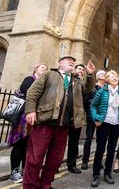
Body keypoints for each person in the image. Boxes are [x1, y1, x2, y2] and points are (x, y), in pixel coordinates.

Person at [23, 56, 95, 189]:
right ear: (60, 64)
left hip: (63, 127)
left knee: (55, 160)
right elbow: (32, 93)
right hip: (45, 124)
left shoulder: (76, 81)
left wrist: (90, 75)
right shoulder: (49, 75)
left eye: (73, 61)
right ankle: (30, 186)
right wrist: (30, 111)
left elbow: (87, 90)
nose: (72, 62)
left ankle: (45, 184)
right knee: (35, 159)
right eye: (68, 60)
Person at [7, 63, 48, 183]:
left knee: (28, 146)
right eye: (42, 68)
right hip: (22, 119)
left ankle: (25, 171)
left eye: (46, 69)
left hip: (33, 119)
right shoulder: (30, 79)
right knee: (19, 145)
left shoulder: (42, 83)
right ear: (35, 69)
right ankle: (14, 172)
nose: (44, 70)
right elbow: (29, 94)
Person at [90, 70, 119, 187]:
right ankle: (96, 175)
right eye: (111, 76)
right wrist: (96, 118)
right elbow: (93, 106)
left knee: (111, 150)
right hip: (104, 123)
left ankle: (107, 173)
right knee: (100, 149)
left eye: (116, 76)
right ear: (106, 79)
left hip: (116, 124)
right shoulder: (101, 91)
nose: (114, 78)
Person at [81, 70, 106, 170]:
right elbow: (87, 102)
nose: (106, 77)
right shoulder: (92, 88)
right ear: (99, 77)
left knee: (101, 141)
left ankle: (98, 161)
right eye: (104, 75)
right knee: (88, 139)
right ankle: (85, 161)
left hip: (103, 118)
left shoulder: (107, 88)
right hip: (92, 117)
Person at [66, 64, 85, 174]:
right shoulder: (68, 79)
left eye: (82, 69)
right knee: (59, 144)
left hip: (76, 117)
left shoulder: (81, 82)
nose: (81, 71)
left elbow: (87, 90)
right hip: (65, 117)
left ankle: (72, 165)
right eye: (79, 69)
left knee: (74, 143)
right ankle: (54, 166)